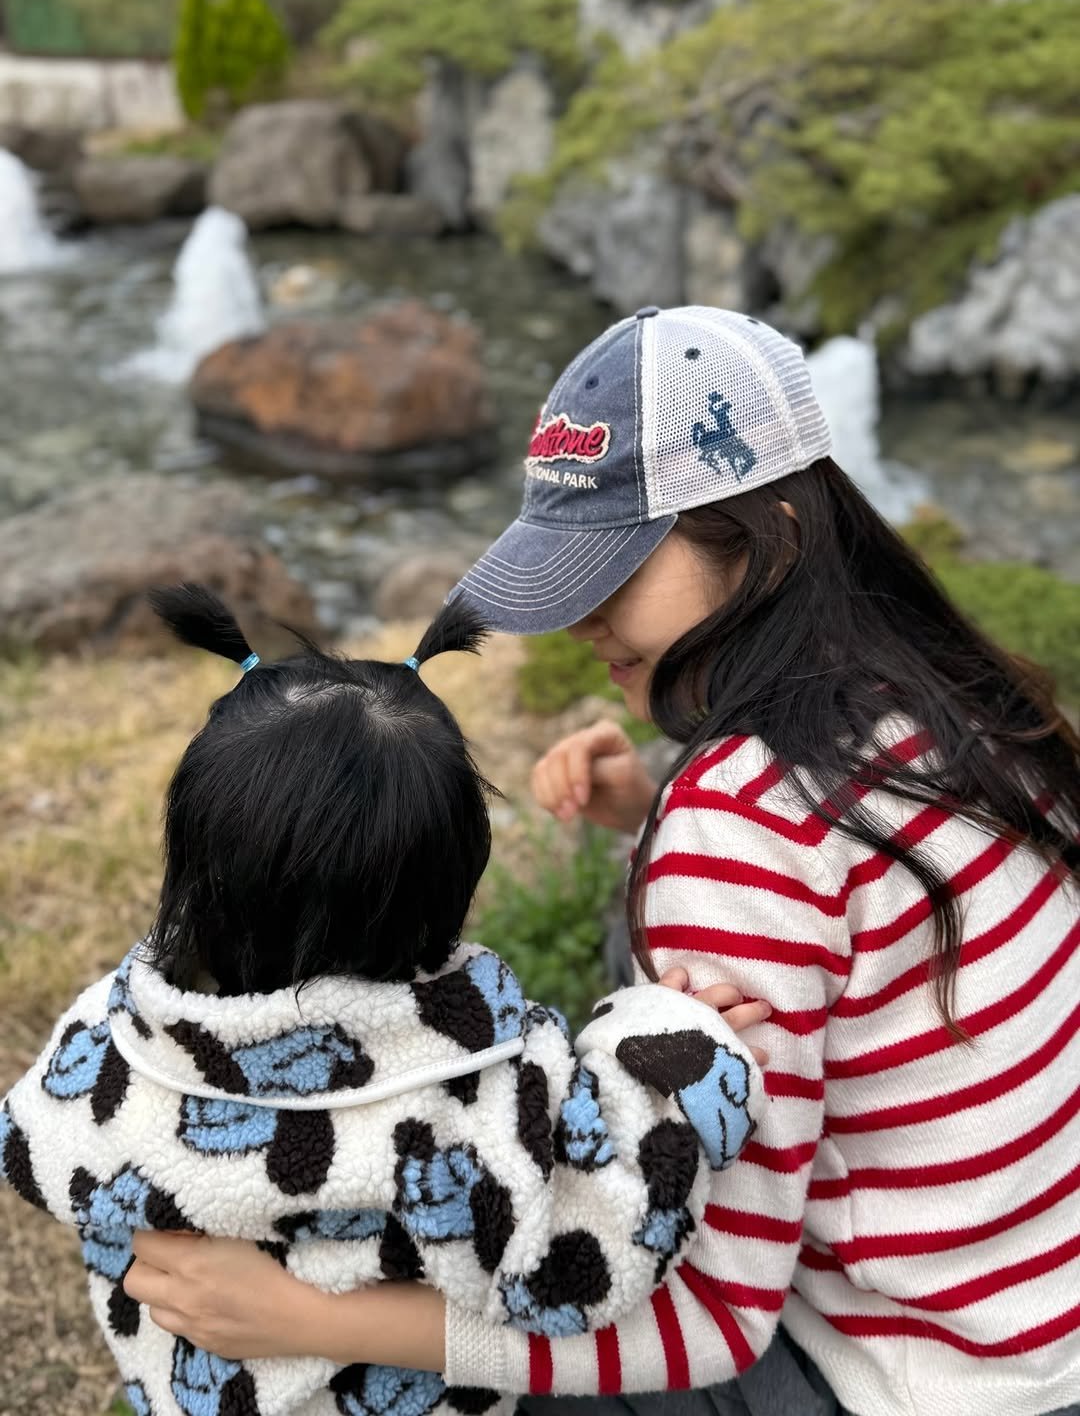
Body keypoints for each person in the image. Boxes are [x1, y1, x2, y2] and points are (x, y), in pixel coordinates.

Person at [124, 308, 1080, 1416]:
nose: (578, 618)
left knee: (437, 1355)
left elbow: (711, 1325)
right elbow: (843, 908)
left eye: (613, 569)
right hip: (1034, 1315)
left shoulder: (740, 827)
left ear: (767, 529)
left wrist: (311, 1319)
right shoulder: (940, 689)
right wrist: (656, 812)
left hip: (927, 1380)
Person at [0, 583, 770, 1416]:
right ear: (454, 881)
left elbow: (27, 1148)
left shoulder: (115, 1046)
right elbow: (589, 1259)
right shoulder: (477, 1095)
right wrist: (672, 1046)